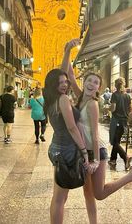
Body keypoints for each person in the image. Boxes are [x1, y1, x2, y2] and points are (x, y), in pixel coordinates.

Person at [62, 39, 132, 224]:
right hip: (83, 152)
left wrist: (95, 159)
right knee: (87, 193)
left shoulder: (94, 104)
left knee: (99, 193)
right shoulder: (80, 98)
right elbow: (68, 74)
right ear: (84, 82)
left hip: (97, 151)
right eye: (89, 80)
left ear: (98, 87)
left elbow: (95, 135)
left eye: (95, 82)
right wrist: (67, 50)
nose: (91, 84)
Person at [43, 68, 91, 224]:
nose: (64, 84)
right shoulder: (62, 99)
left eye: (65, 81)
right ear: (53, 84)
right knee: (59, 197)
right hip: (66, 150)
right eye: (59, 82)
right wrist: (84, 151)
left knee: (60, 196)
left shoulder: (52, 100)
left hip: (56, 147)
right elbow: (72, 127)